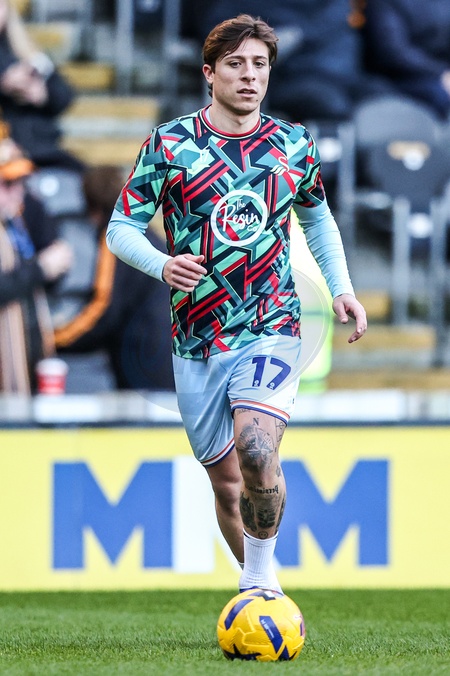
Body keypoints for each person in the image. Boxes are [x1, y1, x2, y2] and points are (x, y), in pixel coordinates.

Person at [106, 14, 367, 593]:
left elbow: (317, 219)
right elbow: (121, 227)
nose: (250, 75)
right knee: (228, 485)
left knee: (256, 449)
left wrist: (342, 287)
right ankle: (259, 585)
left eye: (260, 64)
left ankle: (262, 589)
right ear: (209, 73)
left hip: (271, 322)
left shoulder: (293, 144)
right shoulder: (169, 144)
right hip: (197, 336)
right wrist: (162, 263)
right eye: (236, 64)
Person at [54, 165, 174, 391]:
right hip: (161, 351)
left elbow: (103, 308)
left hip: (147, 358)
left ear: (91, 206)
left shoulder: (116, 240)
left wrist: (56, 339)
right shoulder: (141, 233)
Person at [0, 131, 72, 393]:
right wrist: (41, 268)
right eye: (8, 183)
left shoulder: (14, 224)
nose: (18, 193)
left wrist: (55, 269)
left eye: (21, 182)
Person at [0, 0, 83, 169]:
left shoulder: (26, 50)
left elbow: (64, 96)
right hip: (9, 147)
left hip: (41, 145)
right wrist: (4, 85)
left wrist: (42, 93)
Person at [364, 0, 450, 120]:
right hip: (401, 77)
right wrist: (441, 72)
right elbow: (393, 52)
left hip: (439, 70)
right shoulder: (384, 3)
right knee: (440, 93)